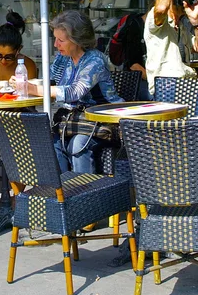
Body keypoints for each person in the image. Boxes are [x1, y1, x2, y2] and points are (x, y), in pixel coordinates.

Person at [14, 10, 121, 174]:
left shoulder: (95, 60)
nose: (56, 44)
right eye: (55, 39)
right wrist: (24, 84)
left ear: (78, 40)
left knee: (78, 144)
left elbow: (75, 92)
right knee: (50, 141)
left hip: (102, 119)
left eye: (61, 40)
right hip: (74, 120)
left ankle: (84, 193)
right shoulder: (63, 58)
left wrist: (34, 89)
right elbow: (49, 82)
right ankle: (63, 191)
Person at [144, 0, 198, 96]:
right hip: (166, 87)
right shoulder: (155, 21)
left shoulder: (181, 26)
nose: (184, 0)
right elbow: (160, 9)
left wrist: (196, 21)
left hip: (186, 85)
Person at [108, 0, 158, 101]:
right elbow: (134, 65)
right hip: (137, 82)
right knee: (157, 97)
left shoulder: (171, 28)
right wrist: (158, 84)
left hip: (156, 81)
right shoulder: (135, 26)